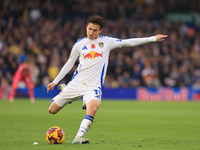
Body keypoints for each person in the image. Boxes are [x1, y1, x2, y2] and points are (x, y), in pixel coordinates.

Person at [47, 15, 168, 144]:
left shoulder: (107, 42)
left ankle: (78, 137)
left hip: (93, 86)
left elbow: (129, 42)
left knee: (93, 108)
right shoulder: (79, 44)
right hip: (77, 82)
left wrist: (152, 38)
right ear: (86, 27)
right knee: (52, 110)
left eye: (95, 30)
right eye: (89, 29)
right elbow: (69, 63)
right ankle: (67, 90)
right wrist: (55, 81)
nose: (91, 32)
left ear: (100, 31)